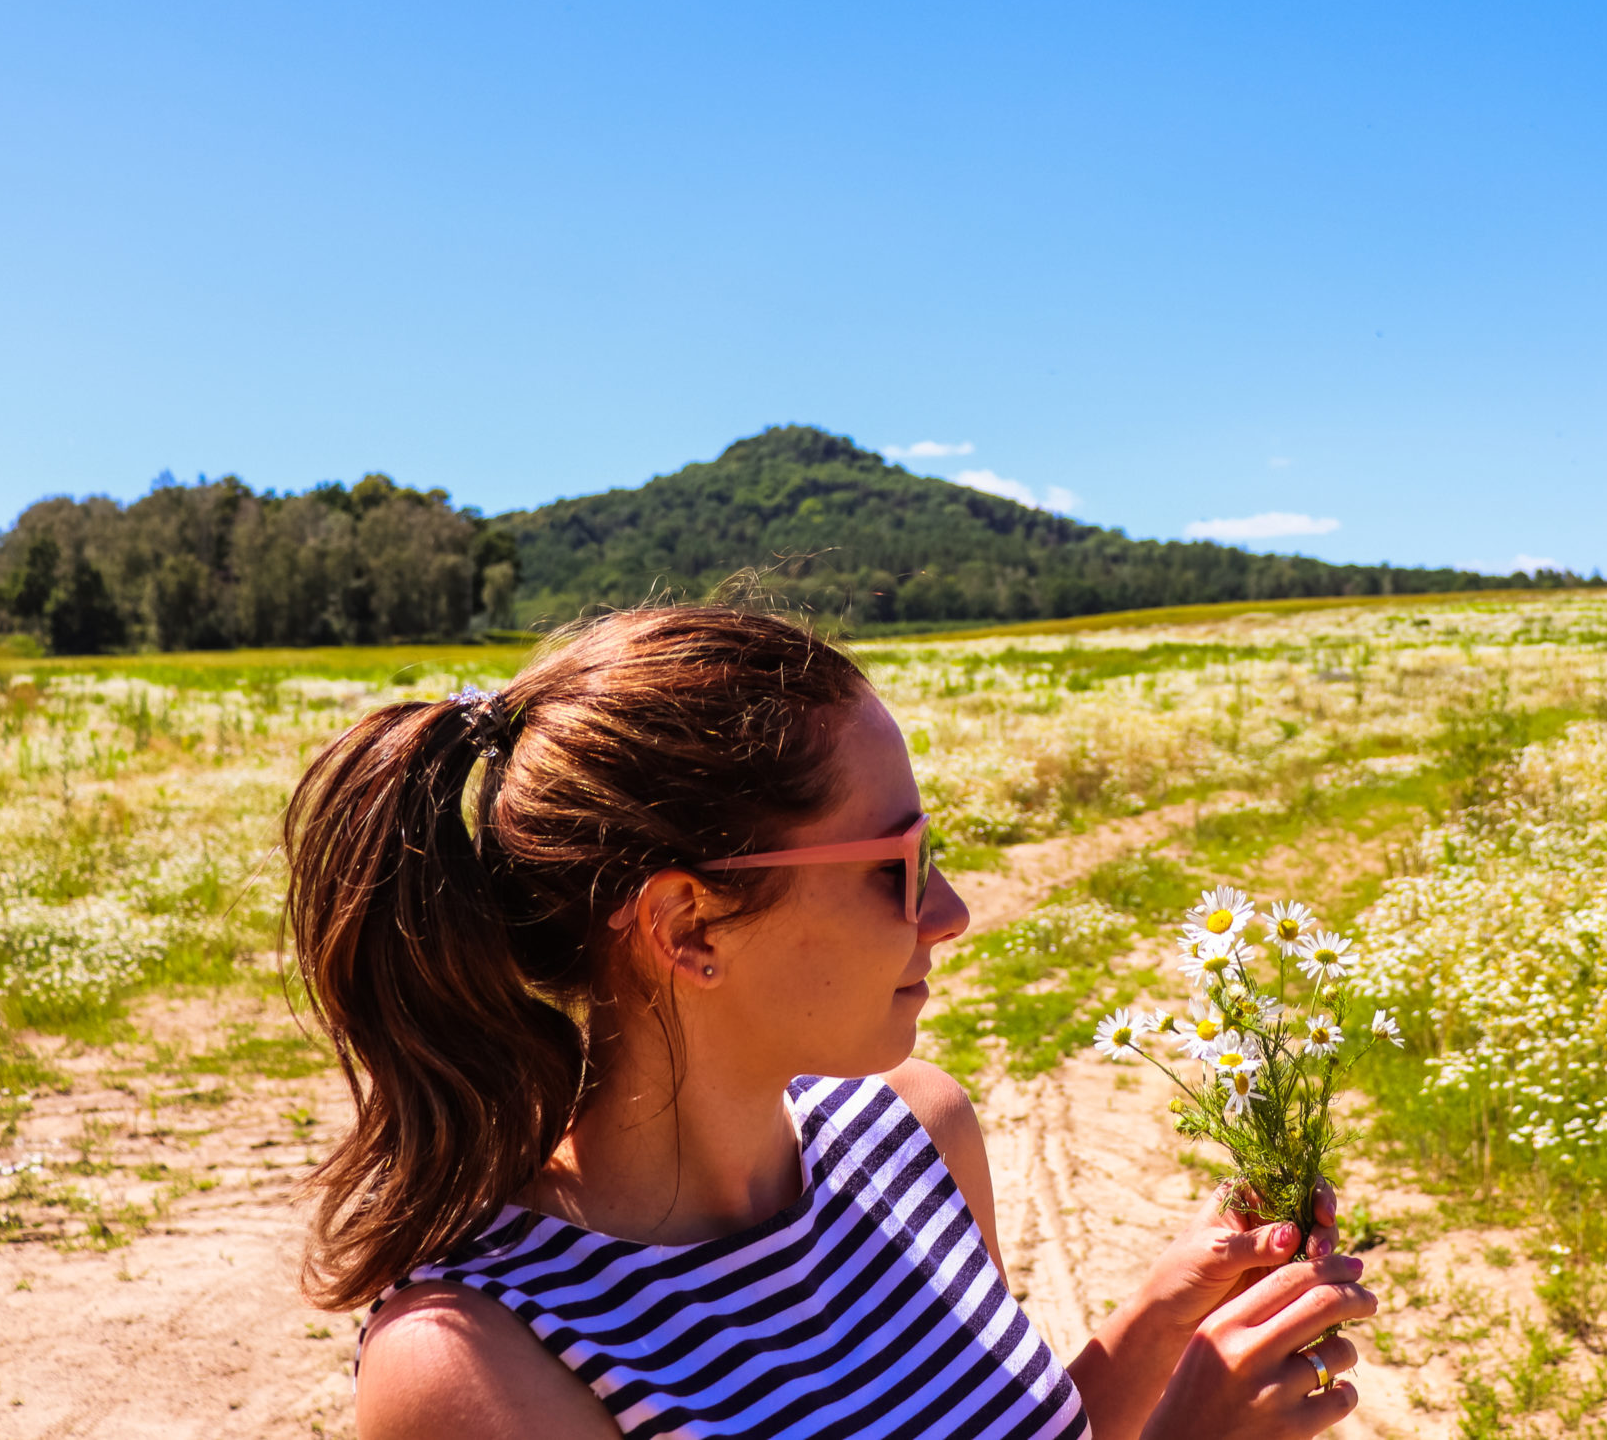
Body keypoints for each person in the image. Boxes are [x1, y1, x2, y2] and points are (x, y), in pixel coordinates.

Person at [284, 605, 1374, 1439]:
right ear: (685, 927)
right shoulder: (475, 1362)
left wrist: (1159, 1320)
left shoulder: (913, 1133)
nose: (947, 915)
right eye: (896, 871)